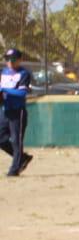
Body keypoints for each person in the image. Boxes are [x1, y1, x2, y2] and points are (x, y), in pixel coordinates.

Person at [1, 47, 33, 177]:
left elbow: (22, 93)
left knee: (16, 140)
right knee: (1, 139)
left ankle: (14, 169)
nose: (10, 62)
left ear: (20, 60)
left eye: (13, 59)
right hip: (5, 110)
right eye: (7, 59)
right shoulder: (3, 72)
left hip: (17, 111)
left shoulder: (24, 74)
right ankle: (22, 158)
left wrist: (4, 90)